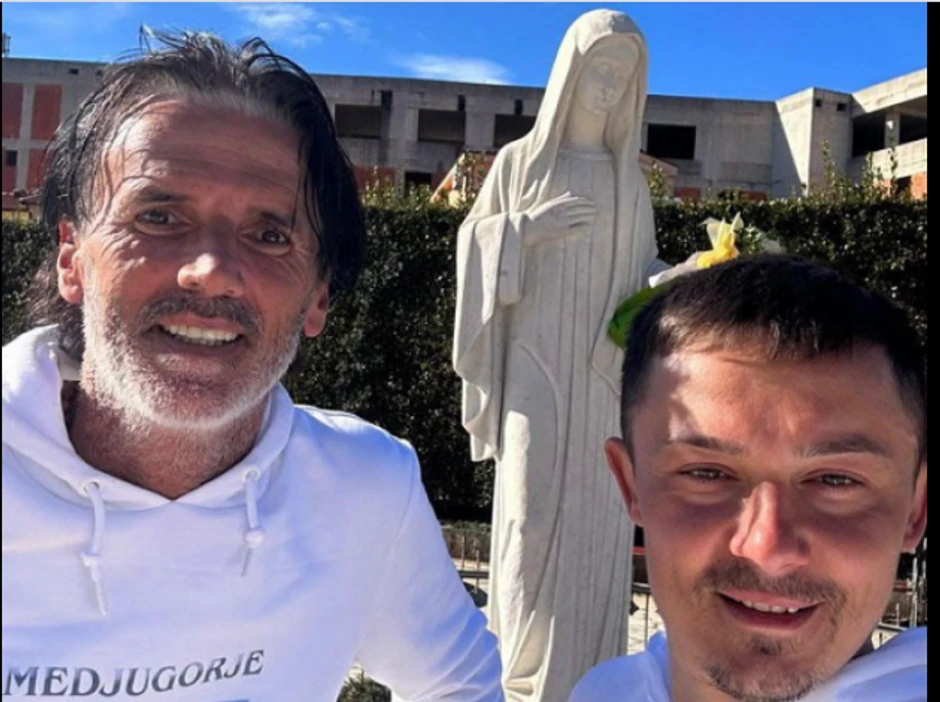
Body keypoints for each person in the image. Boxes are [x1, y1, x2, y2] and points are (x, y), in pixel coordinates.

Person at [1, 32, 502, 701]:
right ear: (73, 259)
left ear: (318, 297)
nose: (211, 271)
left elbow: (463, 684)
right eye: (158, 216)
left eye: (269, 235)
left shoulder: (363, 488)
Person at [570, 255, 927, 702]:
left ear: (916, 507)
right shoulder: (606, 692)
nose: (767, 548)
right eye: (706, 474)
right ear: (631, 484)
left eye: (835, 480)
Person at [453, 10, 669, 699]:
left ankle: (589, 672)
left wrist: (681, 277)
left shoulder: (629, 183)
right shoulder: (520, 164)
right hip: (534, 363)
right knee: (530, 508)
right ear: (570, 73)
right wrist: (524, 230)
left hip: (603, 373)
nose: (608, 86)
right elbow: (473, 247)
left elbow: (639, 278)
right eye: (600, 69)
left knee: (599, 518)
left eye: (622, 76)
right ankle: (521, 679)